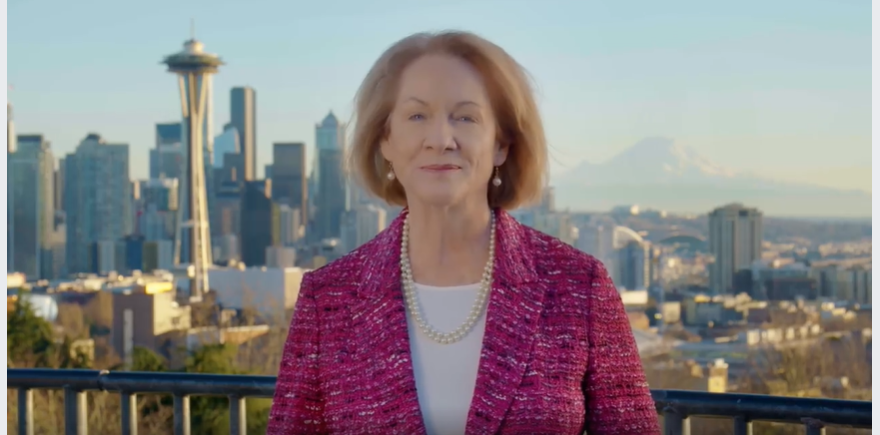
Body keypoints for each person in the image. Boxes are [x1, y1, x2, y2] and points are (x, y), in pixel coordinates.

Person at [267, 30, 660, 435]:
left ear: (501, 145)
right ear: (385, 139)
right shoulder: (327, 300)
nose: (440, 140)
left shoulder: (579, 287)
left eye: (466, 117)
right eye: (417, 116)